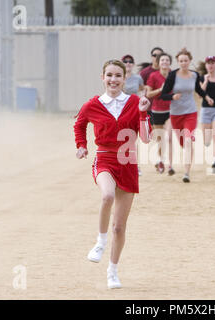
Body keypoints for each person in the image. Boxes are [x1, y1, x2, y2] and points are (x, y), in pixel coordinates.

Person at [73, 59, 151, 289]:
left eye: (118, 75)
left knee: (119, 226)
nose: (113, 80)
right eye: (109, 75)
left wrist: (144, 113)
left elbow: (145, 138)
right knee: (106, 196)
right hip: (104, 159)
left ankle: (112, 271)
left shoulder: (135, 102)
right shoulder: (93, 104)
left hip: (128, 163)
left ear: (124, 79)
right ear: (102, 77)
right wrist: (81, 145)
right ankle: (100, 241)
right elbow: (79, 125)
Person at [160, 48, 213, 183]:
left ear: (190, 61)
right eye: (181, 61)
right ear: (178, 62)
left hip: (190, 112)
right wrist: (173, 96)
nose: (183, 63)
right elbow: (163, 95)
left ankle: (186, 173)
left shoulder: (194, 75)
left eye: (186, 60)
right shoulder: (172, 75)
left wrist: (207, 97)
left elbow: (199, 90)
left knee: (188, 140)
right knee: (184, 143)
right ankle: (184, 160)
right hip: (176, 114)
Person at [146, 52, 175, 175]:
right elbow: (148, 94)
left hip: (171, 110)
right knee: (160, 139)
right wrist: (160, 89)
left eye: (167, 60)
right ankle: (161, 161)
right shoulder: (153, 76)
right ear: (158, 62)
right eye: (162, 60)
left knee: (168, 137)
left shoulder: (174, 75)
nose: (165, 62)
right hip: (157, 110)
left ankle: (170, 165)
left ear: (170, 62)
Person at [121, 54, 145, 176]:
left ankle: (135, 165)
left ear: (133, 64)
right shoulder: (120, 77)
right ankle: (123, 164)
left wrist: (141, 99)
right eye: (125, 61)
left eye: (130, 61)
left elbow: (142, 89)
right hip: (121, 111)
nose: (128, 64)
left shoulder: (137, 78)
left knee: (133, 138)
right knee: (122, 139)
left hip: (134, 110)